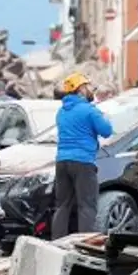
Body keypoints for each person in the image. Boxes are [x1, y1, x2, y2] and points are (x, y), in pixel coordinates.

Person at [52, 73, 113, 239]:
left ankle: (57, 242)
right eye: (88, 86)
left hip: (62, 162)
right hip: (83, 162)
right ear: (80, 89)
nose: (91, 89)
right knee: (86, 206)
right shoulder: (89, 110)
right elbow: (106, 131)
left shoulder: (61, 112)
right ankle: (86, 243)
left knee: (62, 206)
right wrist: (104, 117)